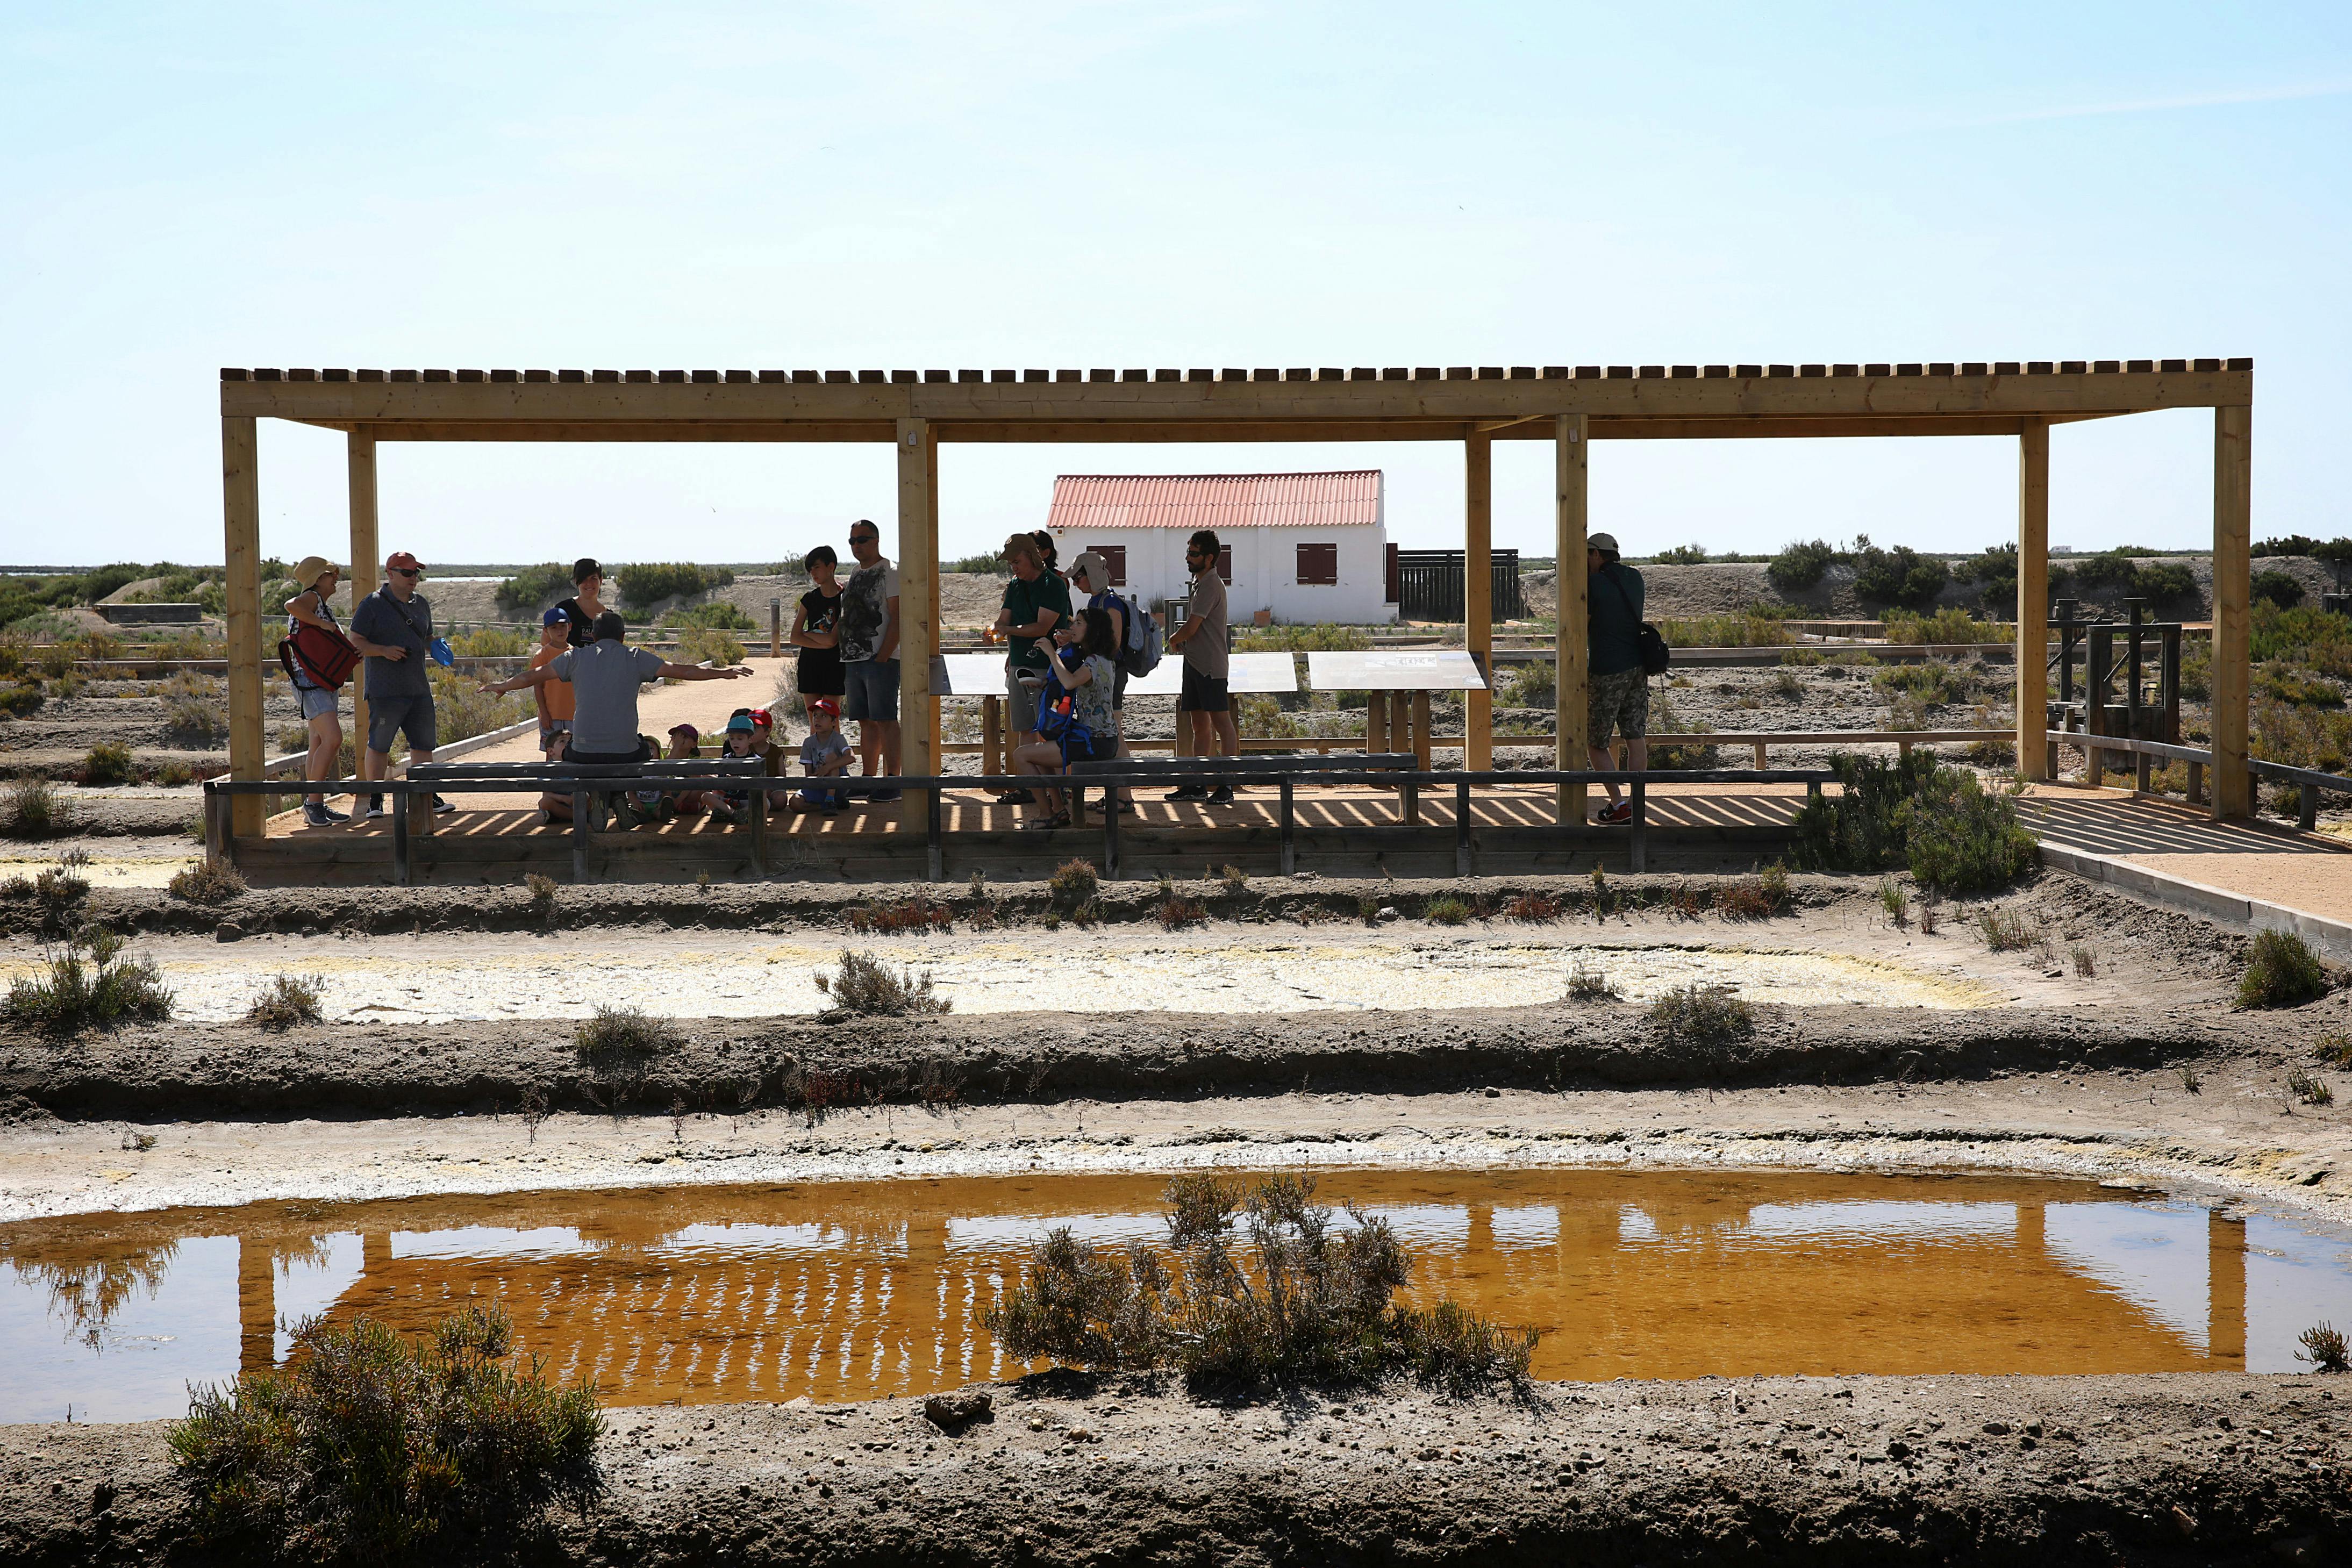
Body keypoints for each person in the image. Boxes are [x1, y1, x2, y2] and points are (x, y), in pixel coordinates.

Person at [480, 610, 750, 828]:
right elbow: (683, 671)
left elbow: (533, 675)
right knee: (641, 748)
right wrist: (723, 672)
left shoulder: (575, 656)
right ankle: (619, 798)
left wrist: (503, 685)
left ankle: (602, 797)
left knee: (578, 751)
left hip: (585, 754)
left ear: (594, 637)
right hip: (627, 753)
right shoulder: (635, 657)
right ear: (623, 636)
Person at [347, 550, 453, 819]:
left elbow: (426, 637)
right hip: (385, 690)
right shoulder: (372, 604)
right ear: (390, 574)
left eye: (416, 572)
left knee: (423, 745)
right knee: (380, 744)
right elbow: (355, 641)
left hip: (418, 688)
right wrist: (383, 650)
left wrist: (436, 645)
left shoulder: (422, 604)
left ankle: (425, 795)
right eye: (407, 572)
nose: (413, 578)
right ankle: (375, 799)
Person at [1009, 607, 1120, 830]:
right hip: (1102, 739)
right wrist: (1041, 683)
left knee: (1021, 755)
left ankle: (1046, 813)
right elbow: (1071, 683)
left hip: (1093, 742)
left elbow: (1069, 683)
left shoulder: (1094, 663)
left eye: (1079, 623)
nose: (1073, 627)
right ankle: (1058, 810)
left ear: (1093, 630)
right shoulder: (1103, 660)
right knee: (1040, 754)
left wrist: (1052, 654)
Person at [992, 531, 1070, 806]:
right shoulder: (1015, 585)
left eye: (1017, 561)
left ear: (1033, 557)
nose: (1013, 567)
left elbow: (1042, 628)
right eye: (1010, 563)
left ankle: (1061, 789)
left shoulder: (1054, 584)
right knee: (1025, 727)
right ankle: (1030, 787)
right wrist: (994, 631)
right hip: (1019, 666)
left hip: (1047, 669)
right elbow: (1003, 619)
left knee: (1051, 729)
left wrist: (1006, 630)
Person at [1164, 528, 1238, 804]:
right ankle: (1197, 783)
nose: (1188, 557)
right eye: (1188, 552)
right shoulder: (1199, 582)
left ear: (1209, 558)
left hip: (1210, 666)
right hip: (1195, 663)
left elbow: (1193, 625)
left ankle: (1227, 784)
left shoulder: (1210, 584)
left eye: (1193, 554)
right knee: (1199, 726)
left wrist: (1173, 638)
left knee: (1222, 724)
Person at [1585, 531, 1650, 825]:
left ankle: (1619, 804)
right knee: (1635, 736)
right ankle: (1637, 803)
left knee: (1596, 743)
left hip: (1607, 669)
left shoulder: (1594, 584)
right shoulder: (1635, 578)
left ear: (1597, 555)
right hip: (1638, 666)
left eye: (1587, 554)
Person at [281, 555, 351, 827]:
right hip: (311, 682)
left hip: (319, 681)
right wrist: (323, 625)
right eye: (331, 574)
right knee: (333, 739)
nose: (335, 579)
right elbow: (291, 605)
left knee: (318, 743)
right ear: (318, 579)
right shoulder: (311, 598)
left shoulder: (319, 603)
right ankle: (313, 803)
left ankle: (315, 803)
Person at [837, 519, 902, 803]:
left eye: (862, 539)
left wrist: (884, 656)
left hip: (879, 658)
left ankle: (893, 780)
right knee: (865, 720)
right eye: (852, 541)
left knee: (885, 718)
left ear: (876, 540)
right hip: (853, 657)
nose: (857, 546)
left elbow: (898, 616)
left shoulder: (891, 571)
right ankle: (869, 777)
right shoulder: (854, 572)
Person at [1067, 550, 1134, 813]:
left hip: (1109, 678)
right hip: (1102, 677)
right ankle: (1117, 794)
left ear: (1090, 575)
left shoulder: (1110, 603)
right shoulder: (1099, 601)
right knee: (1113, 734)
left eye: (1078, 577)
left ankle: (1124, 797)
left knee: (1116, 736)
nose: (1075, 583)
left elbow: (1111, 646)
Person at [530, 606, 578, 824]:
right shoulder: (543, 655)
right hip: (552, 714)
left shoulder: (576, 653)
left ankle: (574, 798)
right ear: (546, 631)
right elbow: (538, 687)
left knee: (575, 756)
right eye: (554, 628)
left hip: (574, 715)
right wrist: (544, 712)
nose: (559, 631)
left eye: (562, 626)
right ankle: (547, 800)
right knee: (551, 758)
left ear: (570, 627)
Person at [790, 546, 846, 716]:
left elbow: (832, 640)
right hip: (810, 664)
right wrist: (820, 641)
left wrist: (807, 634)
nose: (813, 573)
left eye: (817, 567)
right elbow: (794, 637)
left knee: (831, 722)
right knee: (815, 724)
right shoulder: (809, 599)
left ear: (831, 567)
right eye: (810, 569)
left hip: (834, 665)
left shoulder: (845, 598)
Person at [796, 697, 854, 813]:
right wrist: (815, 780)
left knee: (831, 758)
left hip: (839, 784)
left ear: (834, 722)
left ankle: (831, 799)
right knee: (795, 803)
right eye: (815, 716)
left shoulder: (838, 739)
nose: (817, 720)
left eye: (823, 716)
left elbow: (851, 757)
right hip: (818, 783)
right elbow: (808, 773)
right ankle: (830, 804)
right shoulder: (808, 742)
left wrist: (828, 767)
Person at [552, 559, 609, 648]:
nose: (589, 583)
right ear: (576, 581)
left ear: (601, 581)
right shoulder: (563, 610)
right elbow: (547, 642)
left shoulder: (609, 617)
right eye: (583, 579)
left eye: (593, 578)